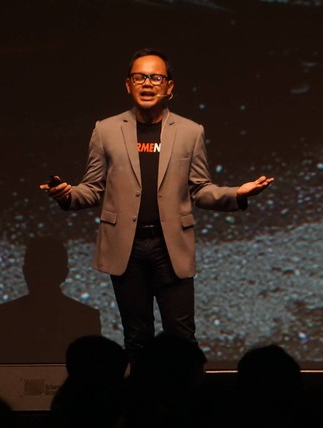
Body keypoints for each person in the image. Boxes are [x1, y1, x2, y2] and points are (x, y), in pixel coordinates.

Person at [40, 48, 274, 359]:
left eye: (155, 77)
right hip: (127, 247)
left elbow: (201, 189)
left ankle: (184, 404)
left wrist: (237, 195)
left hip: (170, 247)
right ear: (128, 85)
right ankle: (143, 405)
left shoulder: (191, 132)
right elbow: (93, 189)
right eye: (139, 77)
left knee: (182, 339)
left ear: (169, 88)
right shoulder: (105, 130)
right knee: (137, 339)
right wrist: (68, 195)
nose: (147, 83)